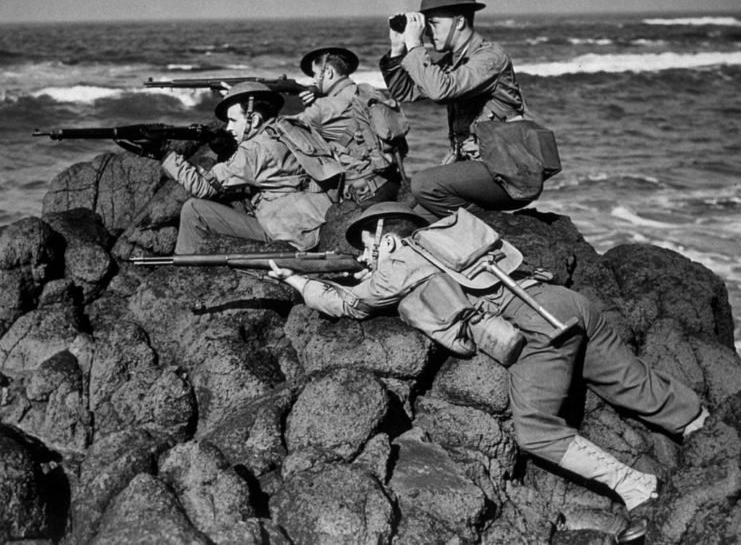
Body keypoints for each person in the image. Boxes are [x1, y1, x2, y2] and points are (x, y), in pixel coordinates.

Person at [267, 202, 709, 543]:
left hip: (536, 327)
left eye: (367, 244)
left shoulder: (401, 260)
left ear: (385, 238)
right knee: (624, 379)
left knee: (535, 431)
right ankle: (700, 424)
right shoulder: (450, 240)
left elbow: (351, 305)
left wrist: (297, 280)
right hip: (562, 302)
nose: (365, 254)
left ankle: (635, 487)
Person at [380, 0, 561, 222]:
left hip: (509, 171)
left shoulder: (489, 58)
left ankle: (491, 227)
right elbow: (405, 91)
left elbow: (439, 90)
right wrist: (397, 48)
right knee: (412, 220)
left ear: (461, 22)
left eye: (434, 24)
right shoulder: (453, 62)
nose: (429, 32)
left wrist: (416, 46)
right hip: (482, 168)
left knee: (424, 183)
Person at [159, 82, 333, 254]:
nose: (228, 127)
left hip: (289, 235)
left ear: (255, 119)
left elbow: (203, 187)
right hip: (316, 218)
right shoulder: (292, 127)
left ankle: (183, 266)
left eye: (233, 120)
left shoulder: (253, 149)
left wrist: (165, 156)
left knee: (193, 210)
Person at [294, 46, 402, 208]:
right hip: (392, 180)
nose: (314, 81)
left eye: (315, 74)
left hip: (365, 194)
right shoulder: (370, 91)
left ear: (328, 72)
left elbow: (286, 131)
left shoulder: (321, 107)